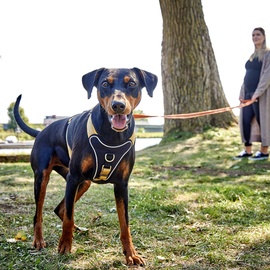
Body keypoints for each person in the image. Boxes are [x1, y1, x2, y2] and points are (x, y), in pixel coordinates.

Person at [235, 27, 270, 160]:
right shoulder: (252, 56)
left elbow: (267, 75)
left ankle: (264, 151)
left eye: (258, 34)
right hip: (248, 94)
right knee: (245, 120)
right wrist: (241, 92)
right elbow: (247, 77)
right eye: (253, 35)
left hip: (261, 95)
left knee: (263, 121)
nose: (255, 37)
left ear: (264, 36)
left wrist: (257, 93)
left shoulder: (268, 55)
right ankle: (247, 150)